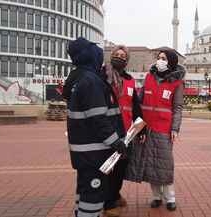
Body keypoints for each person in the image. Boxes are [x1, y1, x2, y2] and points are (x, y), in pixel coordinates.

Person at [63, 37, 127, 217]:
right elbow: (98, 118)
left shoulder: (80, 78)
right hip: (94, 152)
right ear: (89, 55)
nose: (101, 55)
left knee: (84, 192)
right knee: (93, 193)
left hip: (84, 150)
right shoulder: (91, 81)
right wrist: (116, 142)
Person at [125, 49, 185, 211]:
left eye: (164, 58)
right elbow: (139, 100)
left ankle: (170, 198)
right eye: (159, 58)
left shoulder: (177, 82)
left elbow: (178, 107)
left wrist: (175, 128)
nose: (160, 61)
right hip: (146, 128)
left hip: (164, 129)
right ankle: (156, 196)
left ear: (171, 61)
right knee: (150, 163)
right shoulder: (149, 77)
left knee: (164, 164)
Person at [102, 45, 143, 217]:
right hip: (109, 129)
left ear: (127, 60)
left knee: (121, 166)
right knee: (109, 166)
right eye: (116, 55)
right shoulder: (104, 76)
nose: (119, 57)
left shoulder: (130, 80)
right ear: (111, 57)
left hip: (127, 131)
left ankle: (115, 194)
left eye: (122, 55)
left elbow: (135, 106)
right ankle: (108, 202)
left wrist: (140, 130)